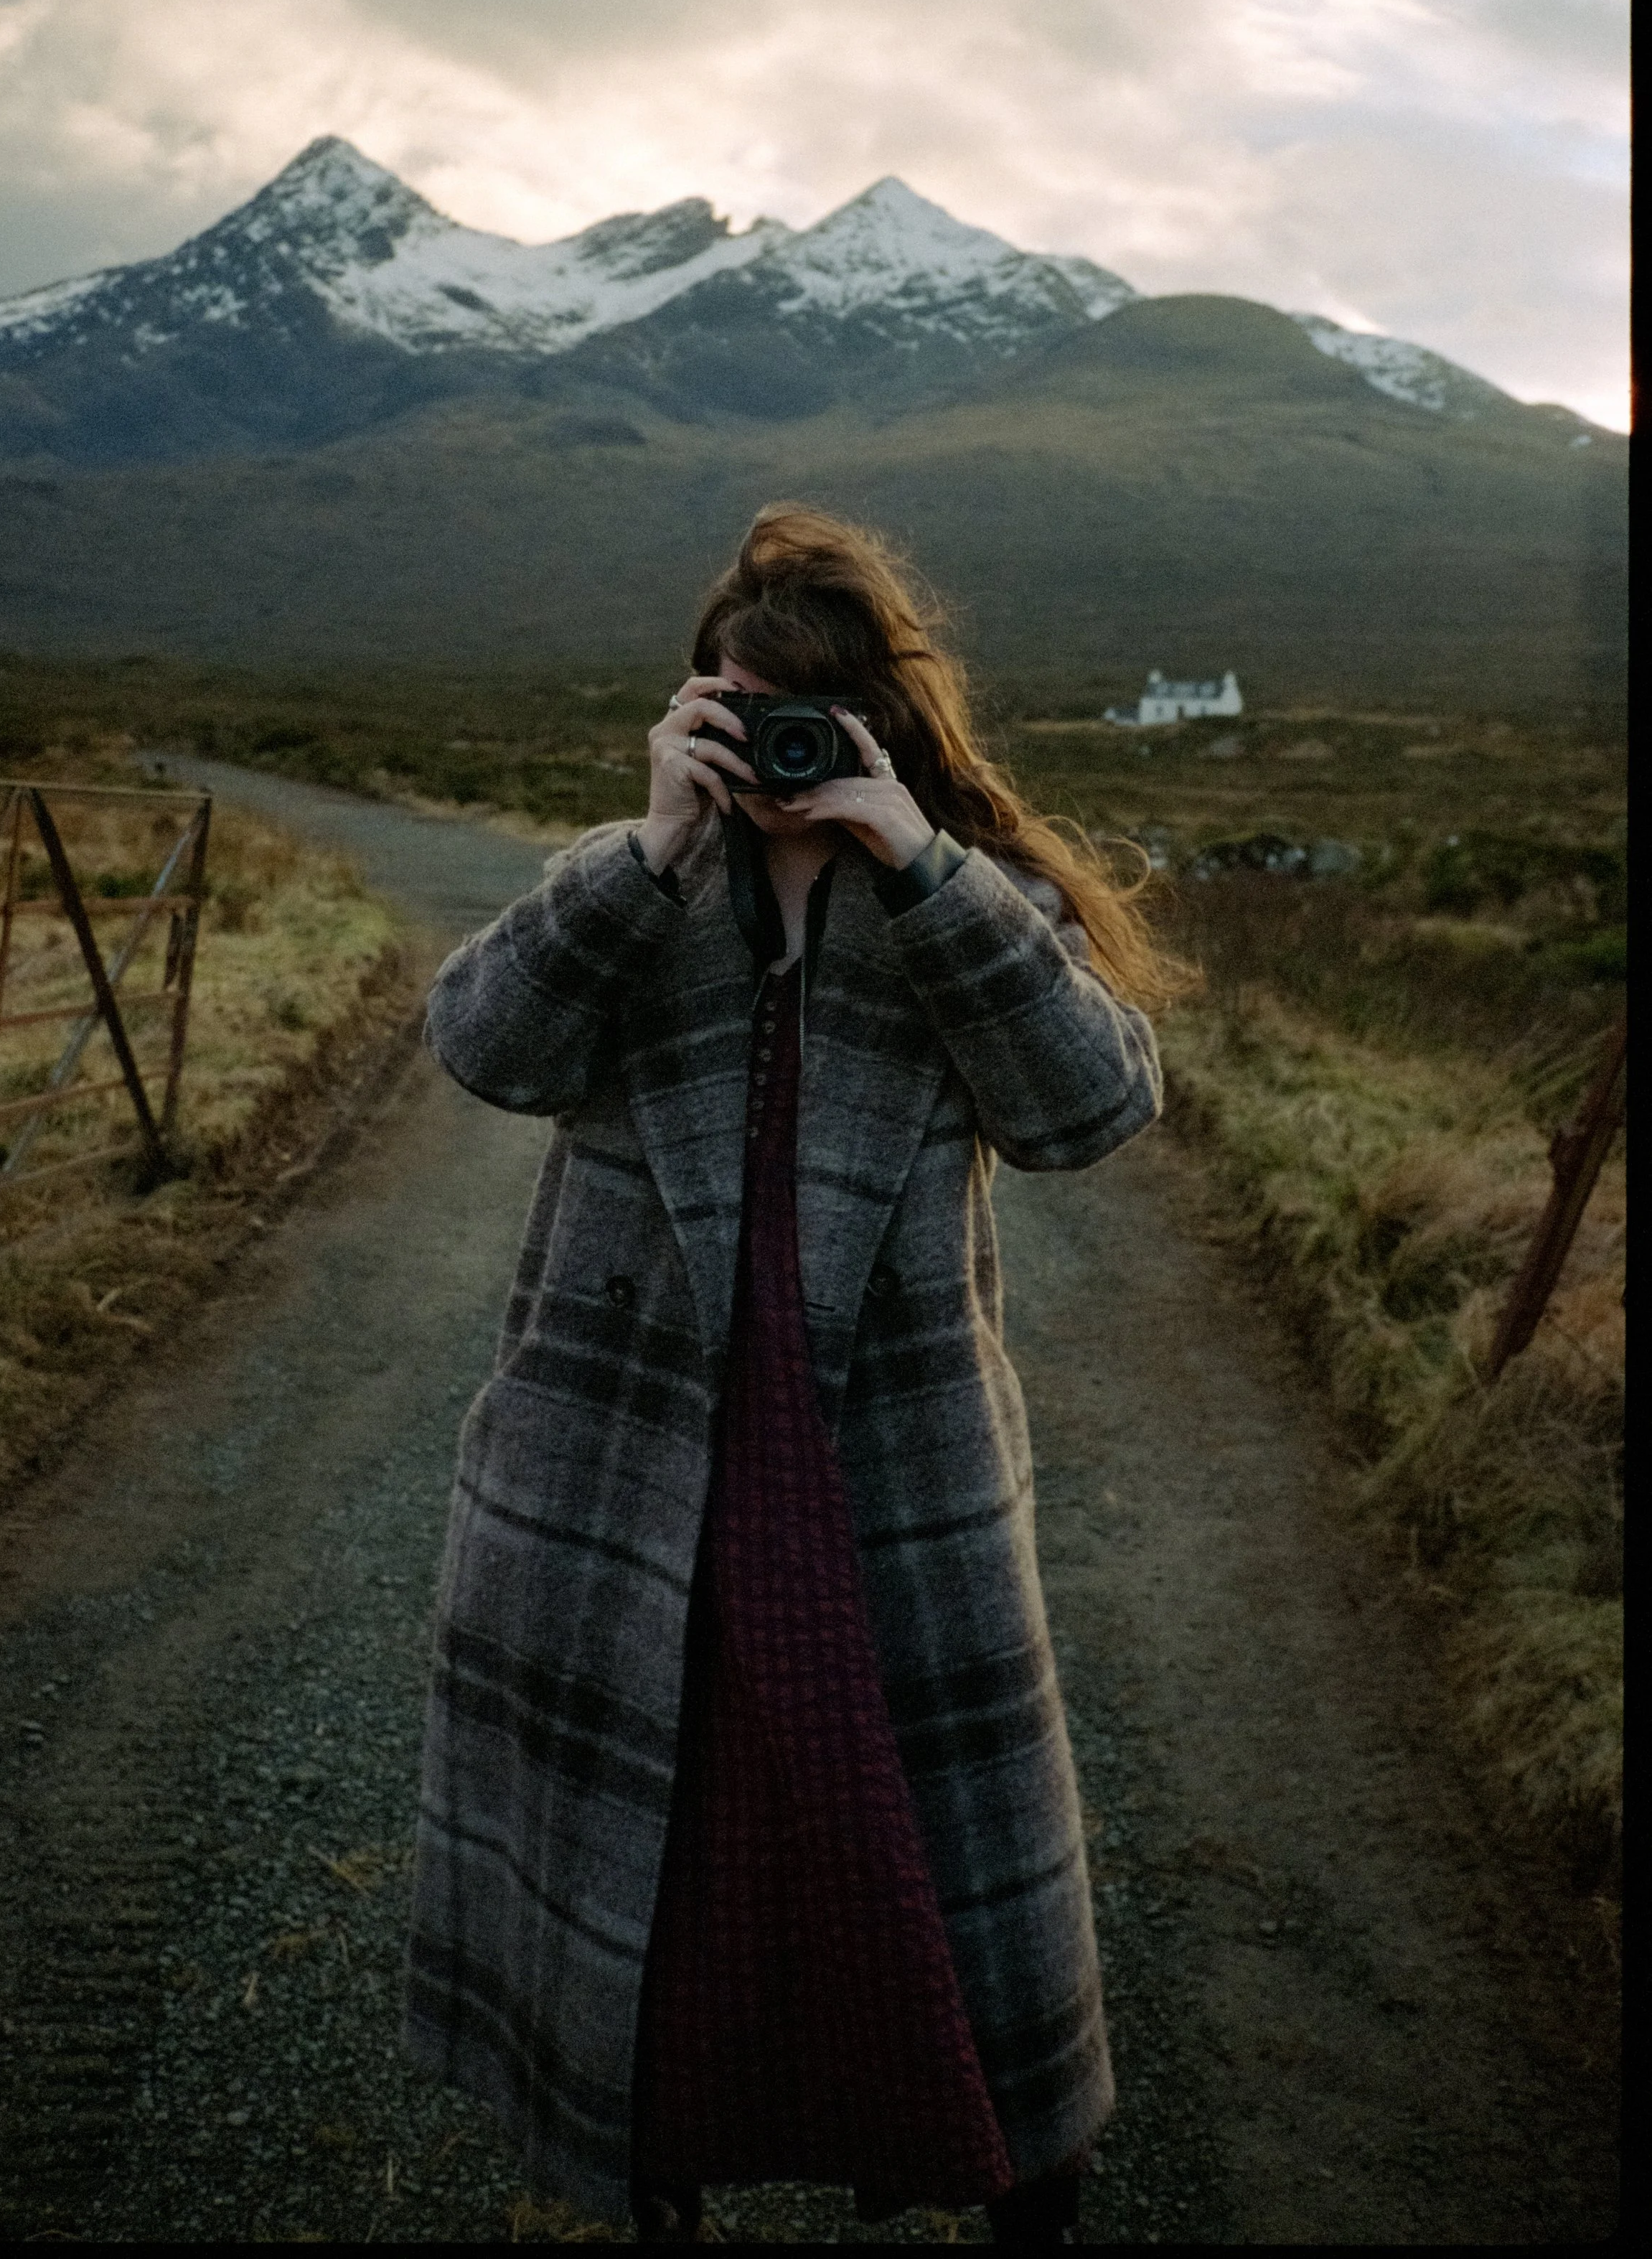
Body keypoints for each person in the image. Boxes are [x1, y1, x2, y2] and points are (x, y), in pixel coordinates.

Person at [403, 505, 1184, 2242]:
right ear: (695, 705)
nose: (771, 747)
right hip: (616, 1471)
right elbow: (477, 1048)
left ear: (877, 724)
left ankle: (1011, 2175)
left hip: (882, 1484)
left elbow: (1090, 1113)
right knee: (657, 1864)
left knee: (926, 1866)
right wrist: (647, 844)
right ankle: (650, 2184)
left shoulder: (964, 901)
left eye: (803, 717)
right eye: (734, 706)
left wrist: (921, 866)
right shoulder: (634, 885)